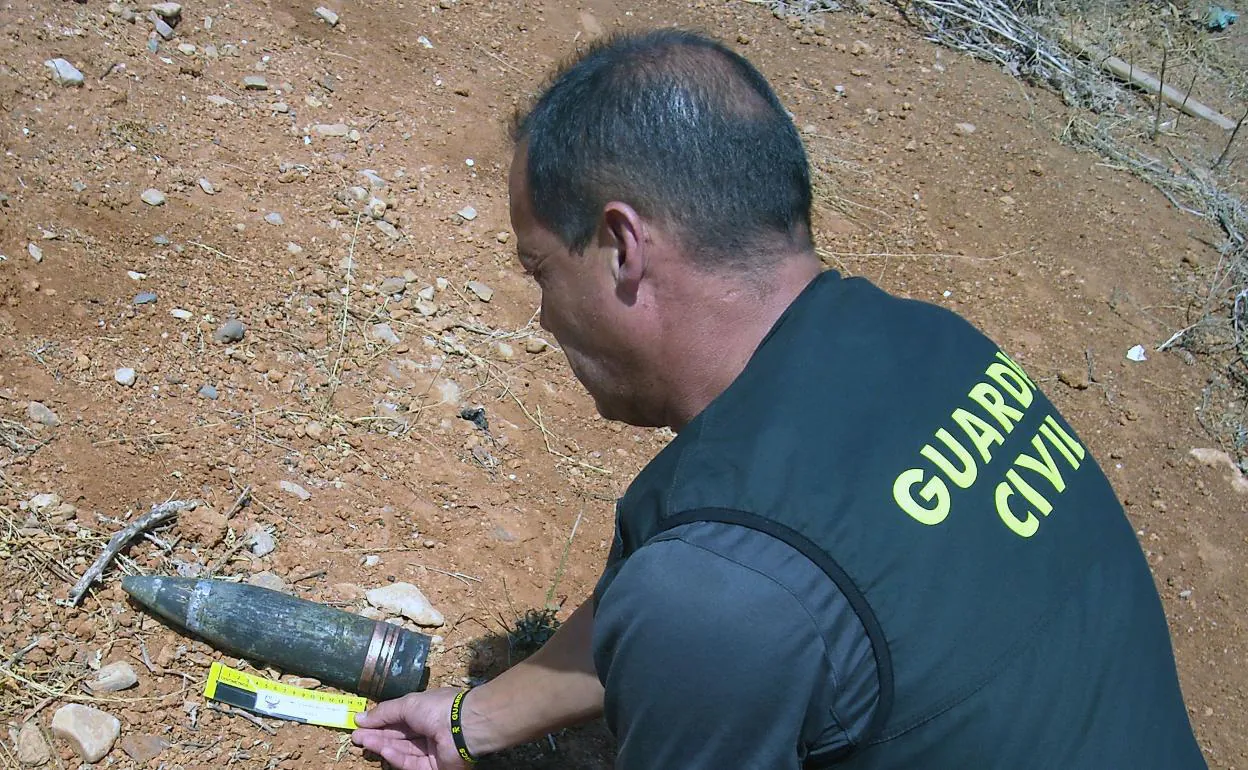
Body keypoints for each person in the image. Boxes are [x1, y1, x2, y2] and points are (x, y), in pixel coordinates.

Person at [351, 28, 1207, 769]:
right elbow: (707, 601)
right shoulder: (934, 345)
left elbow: (715, 609)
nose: (541, 314)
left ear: (621, 247)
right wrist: (472, 722)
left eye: (540, 268)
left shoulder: (718, 590)